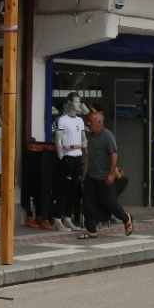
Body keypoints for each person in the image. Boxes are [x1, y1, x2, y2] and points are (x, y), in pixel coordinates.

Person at [78, 109, 133, 238]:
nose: (88, 123)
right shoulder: (90, 136)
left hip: (104, 177)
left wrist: (111, 174)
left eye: (91, 121)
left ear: (99, 122)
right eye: (88, 121)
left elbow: (114, 154)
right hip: (91, 177)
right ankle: (91, 231)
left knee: (110, 203)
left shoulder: (107, 136)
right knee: (87, 203)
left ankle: (126, 219)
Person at [54, 98, 87, 230]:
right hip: (67, 157)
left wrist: (83, 146)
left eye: (79, 101)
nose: (79, 104)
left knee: (73, 189)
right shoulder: (62, 120)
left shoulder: (80, 120)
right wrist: (61, 155)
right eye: (76, 101)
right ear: (69, 103)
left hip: (77, 157)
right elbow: (58, 140)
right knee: (63, 189)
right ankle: (57, 219)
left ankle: (67, 217)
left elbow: (84, 140)